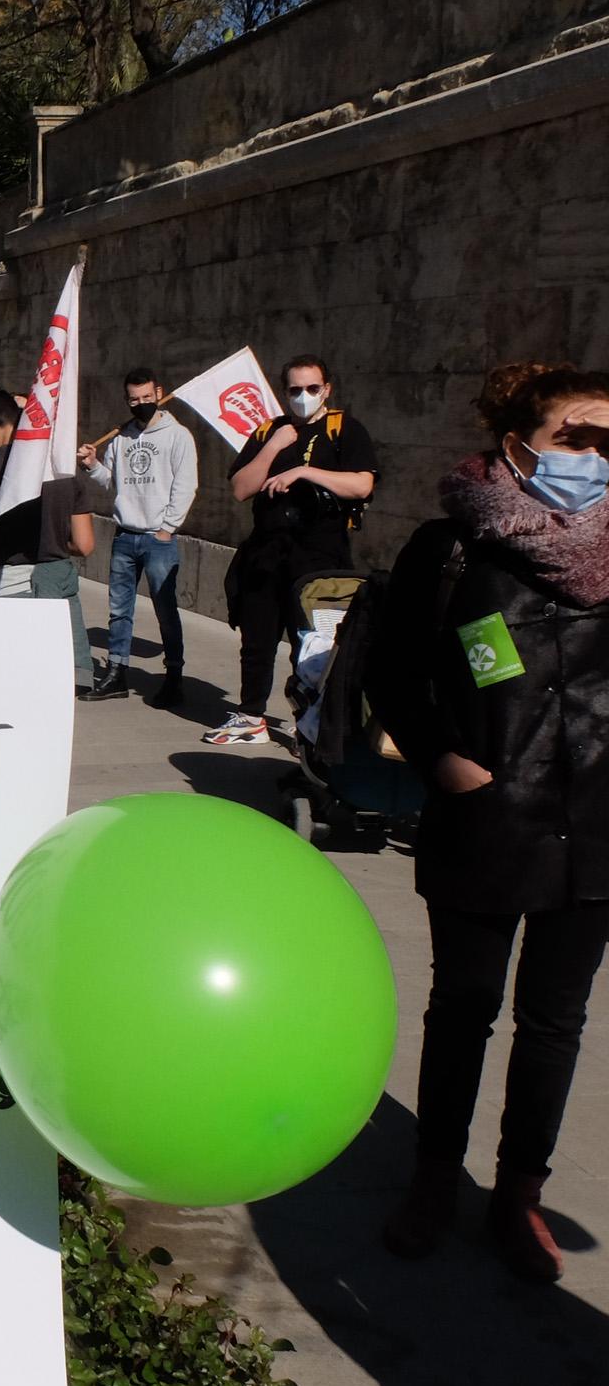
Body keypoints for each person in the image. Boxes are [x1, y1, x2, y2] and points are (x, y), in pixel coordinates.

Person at [369, 362, 609, 1284]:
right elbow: (394, 675)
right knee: (463, 1008)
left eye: (607, 444)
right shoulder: (451, 548)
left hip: (594, 828)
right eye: (575, 439)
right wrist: (445, 761)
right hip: (485, 819)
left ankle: (519, 1195)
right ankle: (436, 1178)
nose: (594, 458)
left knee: (555, 1020)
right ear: (519, 446)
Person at [207, 354, 377, 744]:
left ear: (327, 389)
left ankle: (313, 724)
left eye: (312, 388)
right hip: (266, 555)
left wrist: (303, 471)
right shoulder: (270, 431)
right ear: (284, 392)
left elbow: (362, 485)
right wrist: (274, 449)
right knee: (257, 640)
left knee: (315, 646)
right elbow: (240, 488)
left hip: (319, 557)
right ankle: (251, 715)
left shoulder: (344, 430)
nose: (303, 396)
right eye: (295, 389)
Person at [0, 386, 95, 689]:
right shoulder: (62, 466)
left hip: (3, 596)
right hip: (59, 597)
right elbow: (84, 544)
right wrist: (52, 540)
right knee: (55, 692)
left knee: (4, 690)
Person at [78, 367, 198, 705]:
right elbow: (110, 482)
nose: (141, 403)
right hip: (125, 534)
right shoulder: (121, 437)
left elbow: (185, 486)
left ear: (159, 393)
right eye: (134, 399)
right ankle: (117, 672)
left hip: (157, 539)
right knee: (119, 609)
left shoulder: (178, 436)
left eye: (147, 397)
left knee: (165, 609)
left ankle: (174, 675)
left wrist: (166, 529)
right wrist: (91, 464)